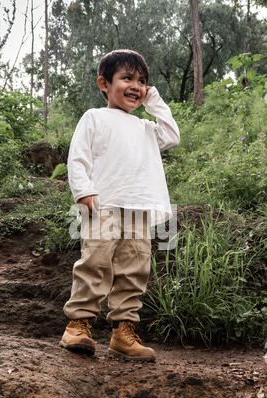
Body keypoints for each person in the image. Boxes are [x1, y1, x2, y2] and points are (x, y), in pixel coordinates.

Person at [60, 49, 180, 362]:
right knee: (95, 262)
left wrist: (153, 100)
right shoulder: (94, 117)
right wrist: (83, 190)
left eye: (142, 81)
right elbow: (78, 157)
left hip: (139, 208)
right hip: (103, 204)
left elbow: (173, 135)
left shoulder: (146, 128)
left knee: (135, 268)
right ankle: (78, 325)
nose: (136, 86)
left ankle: (123, 332)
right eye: (127, 78)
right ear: (104, 83)